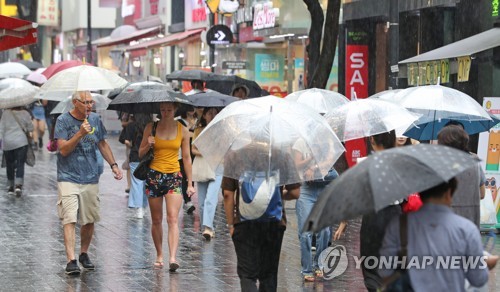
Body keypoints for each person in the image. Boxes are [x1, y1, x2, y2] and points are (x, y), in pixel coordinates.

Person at [379, 178, 496, 291]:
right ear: (448, 193)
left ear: (420, 192)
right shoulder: (467, 229)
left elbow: (384, 271)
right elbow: (478, 279)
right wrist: (485, 264)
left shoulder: (398, 225)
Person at [55, 91, 123, 275]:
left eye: (91, 102)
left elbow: (102, 144)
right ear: (75, 103)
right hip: (68, 176)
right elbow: (63, 150)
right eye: (86, 102)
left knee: (89, 219)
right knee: (69, 217)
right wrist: (79, 134)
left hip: (90, 176)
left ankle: (83, 253)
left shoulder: (94, 119)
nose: (90, 106)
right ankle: (71, 260)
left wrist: (114, 165)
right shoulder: (62, 120)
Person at [222, 144, 300, 291]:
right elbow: (295, 193)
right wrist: (274, 195)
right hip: (274, 223)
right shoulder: (282, 156)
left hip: (244, 223)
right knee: (269, 274)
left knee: (247, 274)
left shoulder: (235, 156)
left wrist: (231, 225)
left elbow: (227, 195)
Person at [138, 102, 195, 271]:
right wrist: (149, 143)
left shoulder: (182, 129)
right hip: (154, 176)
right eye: (162, 109)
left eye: (169, 109)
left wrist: (190, 183)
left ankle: (172, 257)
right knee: (156, 220)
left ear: (175, 110)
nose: (166, 112)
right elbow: (140, 153)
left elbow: (186, 157)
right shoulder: (151, 127)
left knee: (172, 218)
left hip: (174, 176)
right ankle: (159, 254)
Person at [359, 130, 402, 291]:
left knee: (371, 264)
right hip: (395, 216)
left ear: (372, 140)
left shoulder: (365, 163)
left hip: (373, 216)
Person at [292, 138, 336, 282]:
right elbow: (297, 164)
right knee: (305, 233)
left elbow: (330, 162)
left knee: (324, 231)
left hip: (323, 188)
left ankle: (319, 264)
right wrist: (311, 157)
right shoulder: (300, 143)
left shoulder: (327, 142)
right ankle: (306, 269)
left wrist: (314, 167)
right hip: (306, 190)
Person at [437, 125, 485, 228]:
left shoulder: (440, 165)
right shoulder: (475, 164)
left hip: (444, 223)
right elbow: (482, 194)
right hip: (470, 222)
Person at [191, 107, 222, 240]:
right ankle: (207, 227)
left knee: (211, 198)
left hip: (217, 167)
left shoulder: (221, 130)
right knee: (202, 202)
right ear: (204, 115)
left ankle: (208, 228)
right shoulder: (198, 130)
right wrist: (205, 152)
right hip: (202, 167)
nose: (212, 115)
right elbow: (193, 150)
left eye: (215, 113)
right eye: (210, 113)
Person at [124, 113, 153, 218]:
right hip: (148, 157)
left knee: (136, 183)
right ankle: (144, 206)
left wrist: (133, 145)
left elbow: (126, 140)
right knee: (146, 183)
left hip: (135, 155)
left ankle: (138, 207)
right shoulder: (152, 126)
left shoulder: (131, 125)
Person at [0, 106, 33, 196]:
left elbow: (1, 128)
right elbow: (31, 128)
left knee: (9, 164)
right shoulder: (25, 113)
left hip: (8, 143)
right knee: (20, 163)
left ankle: (10, 186)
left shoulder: (5, 113)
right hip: (21, 142)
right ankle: (18, 185)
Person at [175, 105, 196, 215]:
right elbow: (183, 135)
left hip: (195, 153)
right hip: (182, 154)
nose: (191, 111)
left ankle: (188, 198)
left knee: (191, 177)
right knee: (185, 176)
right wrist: (192, 130)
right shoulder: (179, 121)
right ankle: (188, 201)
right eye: (189, 108)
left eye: (193, 108)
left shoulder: (197, 121)